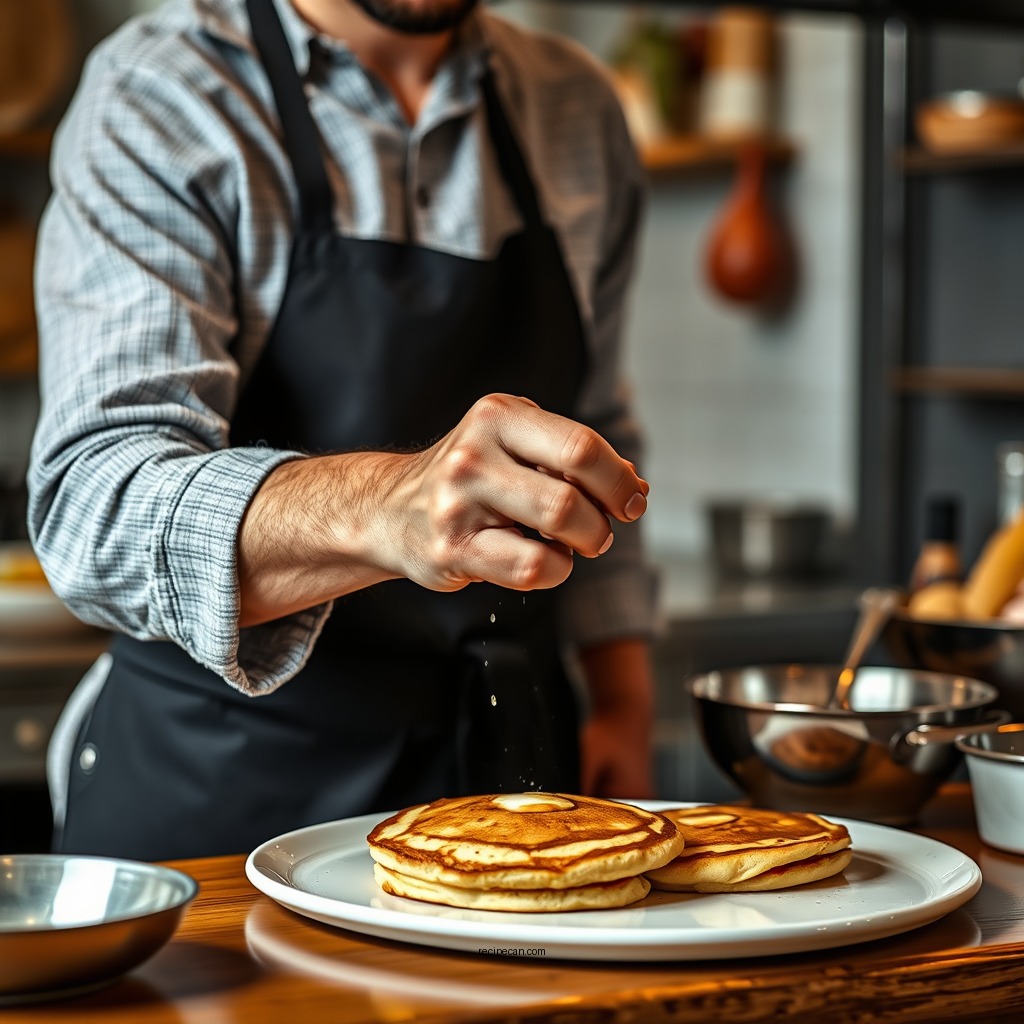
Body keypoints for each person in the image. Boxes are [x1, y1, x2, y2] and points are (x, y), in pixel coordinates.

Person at [28, 0, 660, 861]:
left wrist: (622, 696)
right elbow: (95, 505)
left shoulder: (575, 106)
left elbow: (598, 429)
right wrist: (387, 506)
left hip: (514, 787)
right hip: (224, 797)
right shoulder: (165, 92)